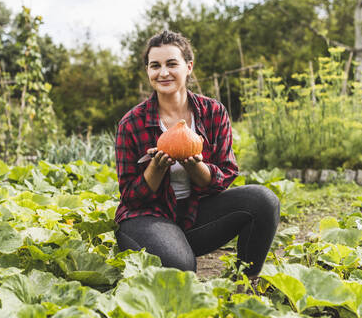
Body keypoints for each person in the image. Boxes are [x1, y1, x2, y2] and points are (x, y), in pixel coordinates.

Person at [114, 30, 280, 283]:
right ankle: (169, 249)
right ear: (148, 71)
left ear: (188, 66)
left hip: (195, 214)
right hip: (147, 217)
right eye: (155, 66)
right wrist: (155, 169)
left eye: (172, 64)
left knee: (263, 201)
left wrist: (197, 168)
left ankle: (246, 283)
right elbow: (130, 197)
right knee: (180, 268)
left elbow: (225, 175)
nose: (163, 72)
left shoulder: (213, 112)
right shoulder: (131, 123)